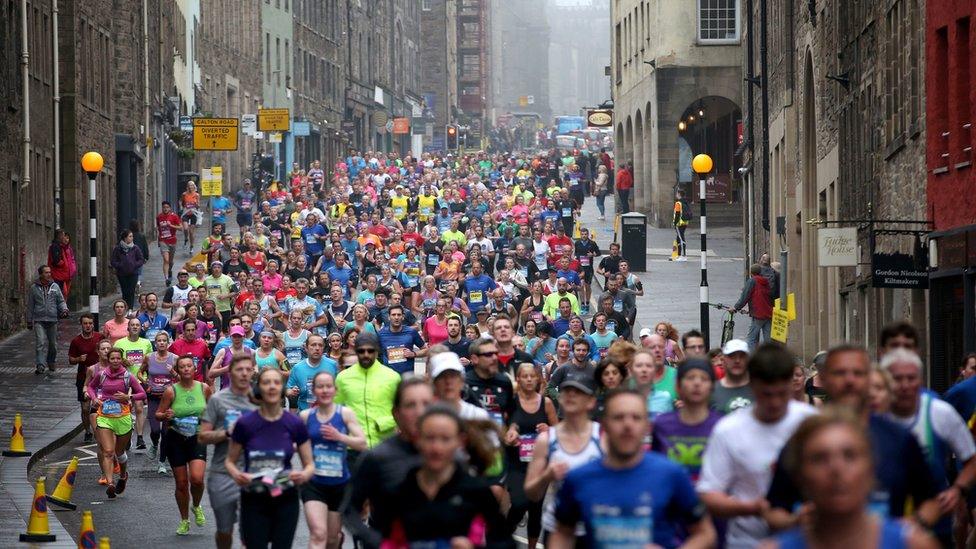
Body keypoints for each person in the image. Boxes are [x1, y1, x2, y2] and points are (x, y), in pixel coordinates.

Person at [764, 344, 941, 536]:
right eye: (840, 373)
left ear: (868, 381)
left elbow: (931, 500)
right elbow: (773, 510)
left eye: (858, 373)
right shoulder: (804, 438)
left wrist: (907, 530)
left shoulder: (900, 439)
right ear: (824, 379)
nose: (849, 380)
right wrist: (794, 522)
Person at [552, 388, 717, 549]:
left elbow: (705, 533)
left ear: (647, 426)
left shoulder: (672, 474)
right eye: (618, 417)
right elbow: (563, 532)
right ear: (604, 426)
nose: (627, 424)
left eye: (636, 418)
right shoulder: (578, 478)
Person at [697, 342, 817, 548]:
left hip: (807, 539)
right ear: (752, 385)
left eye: (782, 394)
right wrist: (752, 508)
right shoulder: (729, 430)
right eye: (767, 395)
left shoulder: (810, 422)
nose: (775, 403)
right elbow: (709, 494)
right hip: (747, 541)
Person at [759, 411, 938, 549]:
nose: (836, 469)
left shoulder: (914, 545)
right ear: (799, 475)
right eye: (820, 458)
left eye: (850, 456)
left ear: (871, 468)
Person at [382, 406, 511, 547]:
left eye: (445, 439)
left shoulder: (475, 490)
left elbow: (504, 542)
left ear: (460, 442)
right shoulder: (400, 489)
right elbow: (381, 537)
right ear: (417, 439)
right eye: (430, 438)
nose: (437, 448)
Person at [225, 368, 315, 549]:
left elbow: (309, 465)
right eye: (266, 382)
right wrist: (237, 475)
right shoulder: (245, 424)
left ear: (282, 388)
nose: (272, 387)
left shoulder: (294, 423)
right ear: (259, 389)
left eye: (276, 382)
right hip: (254, 499)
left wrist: (303, 476)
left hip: (285, 499)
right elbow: (230, 461)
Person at [342, 377, 434, 548]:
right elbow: (349, 509)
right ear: (396, 413)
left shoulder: (451, 455)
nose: (419, 412)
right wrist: (373, 540)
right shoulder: (378, 457)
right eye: (410, 405)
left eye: (426, 404)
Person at [525, 377, 603, 543]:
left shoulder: (603, 437)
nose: (571, 395)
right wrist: (547, 476)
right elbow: (531, 493)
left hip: (594, 528)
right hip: (556, 527)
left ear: (591, 402)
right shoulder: (546, 440)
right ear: (559, 398)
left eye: (578, 392)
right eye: (566, 391)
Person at [299, 371, 367, 549]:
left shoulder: (345, 414)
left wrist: (340, 437)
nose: (324, 390)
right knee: (318, 534)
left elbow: (362, 443)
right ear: (314, 390)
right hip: (314, 484)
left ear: (335, 390)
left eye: (328, 386)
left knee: (332, 538)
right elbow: (295, 444)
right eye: (320, 386)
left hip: (339, 484)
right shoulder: (306, 416)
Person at [198, 354, 259, 549]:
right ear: (230, 372)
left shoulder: (261, 400)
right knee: (224, 531)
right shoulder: (218, 400)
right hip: (222, 472)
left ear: (253, 372)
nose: (243, 373)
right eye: (239, 369)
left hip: (254, 473)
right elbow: (202, 436)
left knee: (250, 528)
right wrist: (227, 433)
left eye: (248, 369)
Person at [155, 355, 213, 534]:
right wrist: (165, 416)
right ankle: (184, 520)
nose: (186, 369)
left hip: (196, 438)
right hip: (176, 439)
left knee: (196, 479)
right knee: (181, 483)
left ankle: (196, 505)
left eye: (189, 366)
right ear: (178, 371)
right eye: (183, 367)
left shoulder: (204, 389)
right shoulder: (171, 391)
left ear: (194, 369)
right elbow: (158, 413)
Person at [504, 362, 558, 549]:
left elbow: (559, 432)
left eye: (532, 376)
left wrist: (548, 429)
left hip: (539, 464)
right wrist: (509, 435)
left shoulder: (546, 403)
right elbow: (503, 428)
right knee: (519, 503)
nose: (528, 379)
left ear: (538, 379)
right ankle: (502, 537)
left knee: (536, 509)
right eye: (524, 376)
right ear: (518, 379)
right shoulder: (511, 401)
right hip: (516, 463)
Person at [87, 347, 147, 498]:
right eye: (112, 358)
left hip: (123, 418)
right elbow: (91, 387)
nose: (115, 361)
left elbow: (142, 393)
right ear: (108, 359)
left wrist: (128, 398)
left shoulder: (128, 376)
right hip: (105, 416)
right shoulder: (101, 375)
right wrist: (94, 399)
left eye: (118, 358)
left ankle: (122, 475)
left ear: (121, 359)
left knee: (119, 453)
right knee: (108, 451)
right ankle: (110, 484)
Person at [652, 358, 723, 483]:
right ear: (678, 386)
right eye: (690, 378)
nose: (697, 383)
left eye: (704, 379)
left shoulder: (722, 425)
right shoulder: (661, 424)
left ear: (712, 387)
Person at [334, 332, 401, 448]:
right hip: (353, 447)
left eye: (370, 351)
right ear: (355, 351)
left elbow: (403, 411)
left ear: (377, 352)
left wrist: (385, 423)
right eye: (361, 351)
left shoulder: (392, 377)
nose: (366, 355)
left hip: (385, 444)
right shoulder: (343, 378)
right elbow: (334, 411)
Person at [141, 331, 176, 473]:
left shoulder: (175, 359)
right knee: (155, 430)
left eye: (164, 340)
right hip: (154, 397)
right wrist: (145, 384)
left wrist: (174, 373)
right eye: (159, 341)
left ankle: (162, 462)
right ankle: (154, 444)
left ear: (168, 343)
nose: (161, 343)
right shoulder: (149, 358)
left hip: (168, 399)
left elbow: (182, 378)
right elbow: (139, 372)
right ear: (155, 343)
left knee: (165, 432)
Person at [27, 264, 69, 375]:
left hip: (52, 319)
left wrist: (64, 309)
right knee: (40, 342)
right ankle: (40, 365)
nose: (49, 274)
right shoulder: (34, 288)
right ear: (41, 274)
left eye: (50, 272)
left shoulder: (55, 287)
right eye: (46, 272)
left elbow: (60, 301)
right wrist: (29, 320)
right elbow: (30, 305)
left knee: (53, 344)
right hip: (39, 319)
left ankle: (51, 361)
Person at [68, 313, 103, 442]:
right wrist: (78, 359)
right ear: (81, 325)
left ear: (93, 324)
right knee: (85, 408)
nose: (88, 326)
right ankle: (87, 431)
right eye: (85, 323)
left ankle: (101, 429)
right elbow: (71, 359)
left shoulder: (100, 337)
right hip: (83, 378)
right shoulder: (76, 341)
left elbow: (107, 350)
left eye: (90, 323)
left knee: (100, 405)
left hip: (99, 377)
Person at [285, 334, 338, 411]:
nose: (317, 348)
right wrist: (291, 392)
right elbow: (288, 389)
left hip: (328, 413)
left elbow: (340, 389)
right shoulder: (298, 368)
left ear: (323, 348)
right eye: (313, 345)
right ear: (306, 348)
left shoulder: (333, 365)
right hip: (305, 414)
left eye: (320, 345)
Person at [377, 304, 427, 375]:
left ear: (403, 317)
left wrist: (414, 354)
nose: (396, 317)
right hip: (388, 377)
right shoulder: (381, 334)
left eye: (399, 315)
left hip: (407, 377)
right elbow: (375, 353)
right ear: (389, 317)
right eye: (393, 315)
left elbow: (425, 350)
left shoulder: (411, 332)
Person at [733, 264, 773, 350]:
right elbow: (763, 297)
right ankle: (771, 359)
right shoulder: (766, 282)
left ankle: (752, 359)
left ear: (751, 273)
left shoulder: (752, 281)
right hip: (768, 313)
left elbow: (745, 296)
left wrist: (736, 308)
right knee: (768, 340)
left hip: (758, 314)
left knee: (752, 338)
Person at [711, 339, 753, 413]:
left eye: (742, 356)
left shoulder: (760, 389)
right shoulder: (710, 391)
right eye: (732, 356)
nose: (737, 360)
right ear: (723, 360)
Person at [110, 228, 146, 310]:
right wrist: (120, 265)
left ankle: (130, 308)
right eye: (130, 236)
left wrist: (134, 264)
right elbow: (113, 261)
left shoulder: (135, 248)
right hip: (122, 274)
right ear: (125, 238)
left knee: (131, 291)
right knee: (125, 291)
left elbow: (141, 259)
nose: (132, 238)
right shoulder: (118, 249)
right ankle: (124, 308)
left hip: (133, 273)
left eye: (132, 236)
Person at [157, 201, 182, 285]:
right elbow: (158, 228)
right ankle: (166, 278)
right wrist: (158, 239)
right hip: (163, 241)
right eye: (164, 207)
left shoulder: (174, 216)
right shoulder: (159, 217)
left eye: (167, 207)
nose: (165, 209)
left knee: (170, 261)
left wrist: (171, 225)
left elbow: (180, 228)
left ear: (170, 208)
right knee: (166, 260)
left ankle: (169, 270)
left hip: (172, 241)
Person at [47, 229, 77, 297]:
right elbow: (56, 261)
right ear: (60, 236)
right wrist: (63, 264)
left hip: (64, 274)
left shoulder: (64, 247)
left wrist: (72, 268)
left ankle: (62, 307)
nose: (64, 238)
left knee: (63, 293)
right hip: (59, 274)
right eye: (63, 236)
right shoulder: (56, 246)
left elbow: (71, 259)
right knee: (60, 293)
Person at [671, 189, 690, 262]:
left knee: (681, 238)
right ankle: (679, 255)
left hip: (679, 223)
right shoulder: (685, 202)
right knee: (679, 238)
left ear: (679, 194)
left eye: (677, 193)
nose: (676, 195)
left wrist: (675, 223)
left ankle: (683, 255)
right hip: (685, 223)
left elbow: (677, 214)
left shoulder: (678, 203)